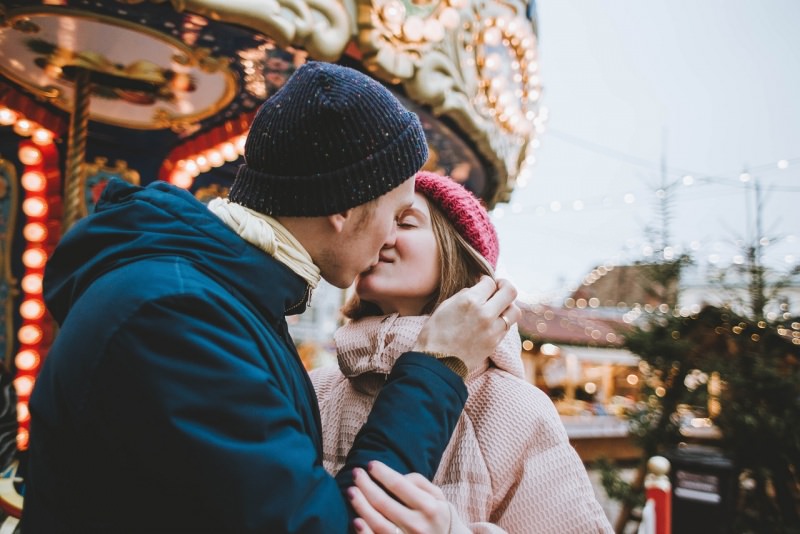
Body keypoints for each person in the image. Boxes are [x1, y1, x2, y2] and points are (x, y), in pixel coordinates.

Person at [22, 62, 520, 532]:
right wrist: (439, 365)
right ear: (345, 209)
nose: (390, 235)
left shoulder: (220, 299)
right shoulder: (175, 316)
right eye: (397, 212)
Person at [311, 171, 613, 533]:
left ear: (460, 255)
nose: (381, 234)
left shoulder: (512, 409)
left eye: (405, 222)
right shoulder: (318, 389)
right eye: (376, 219)